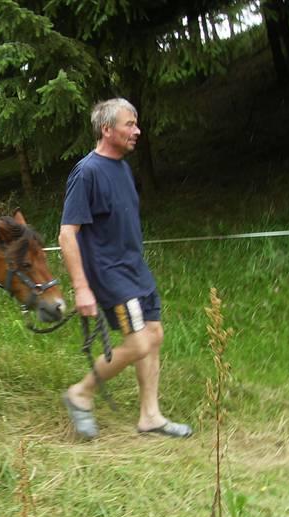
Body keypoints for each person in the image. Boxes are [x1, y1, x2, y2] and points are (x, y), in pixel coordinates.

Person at [58, 98, 193, 440]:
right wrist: (82, 288)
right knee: (140, 342)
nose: (137, 131)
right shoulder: (86, 172)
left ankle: (150, 416)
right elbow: (66, 234)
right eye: (129, 125)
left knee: (154, 335)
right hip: (110, 275)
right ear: (107, 130)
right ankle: (81, 393)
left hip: (136, 270)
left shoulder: (122, 168)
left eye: (135, 124)